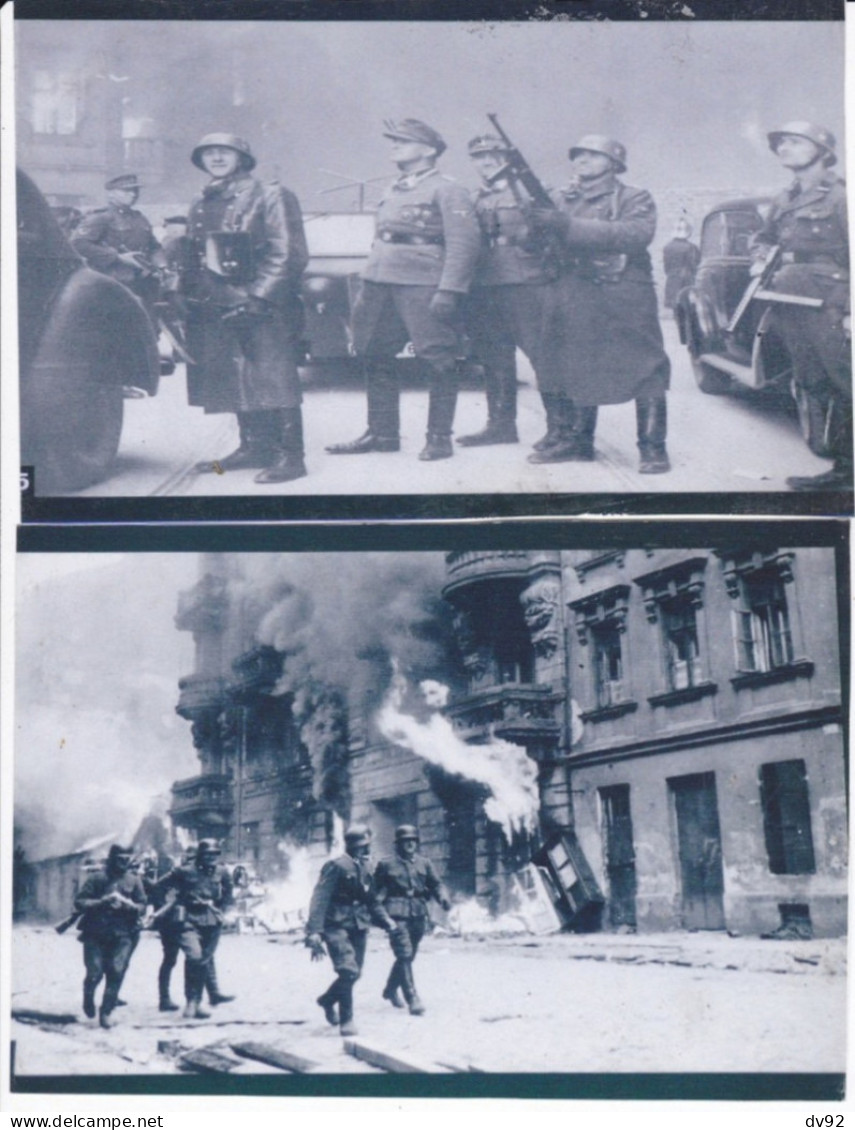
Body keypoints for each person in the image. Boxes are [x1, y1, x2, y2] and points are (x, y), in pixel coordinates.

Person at [325, 119, 481, 461]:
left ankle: (439, 438)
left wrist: (450, 290)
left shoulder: (447, 189)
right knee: (374, 354)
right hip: (380, 282)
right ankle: (382, 434)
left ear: (427, 150)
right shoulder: (396, 188)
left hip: (423, 283)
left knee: (438, 359)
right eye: (393, 141)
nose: (393, 146)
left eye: (402, 141)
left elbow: (464, 244)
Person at [528, 135, 672, 473]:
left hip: (622, 290)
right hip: (572, 288)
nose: (583, 160)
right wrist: (533, 224)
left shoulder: (633, 196)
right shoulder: (561, 198)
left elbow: (635, 234)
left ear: (614, 162)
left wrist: (566, 224)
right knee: (571, 362)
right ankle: (578, 442)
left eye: (593, 155)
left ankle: (653, 449)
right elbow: (538, 243)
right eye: (578, 155)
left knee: (644, 366)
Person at [179, 133, 310, 484]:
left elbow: (288, 253)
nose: (216, 158)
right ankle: (253, 447)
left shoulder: (271, 195)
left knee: (273, 375)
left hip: (261, 303)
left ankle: (290, 457)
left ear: (243, 158)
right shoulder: (201, 200)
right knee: (232, 373)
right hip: (215, 301)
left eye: (225, 152)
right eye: (209, 153)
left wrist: (259, 297)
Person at [751, 121, 851, 493]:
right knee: (814, 382)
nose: (784, 149)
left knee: (846, 382)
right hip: (790, 300)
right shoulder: (784, 198)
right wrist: (759, 258)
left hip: (830, 301)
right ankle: (843, 469)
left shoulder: (841, 196)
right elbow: (763, 239)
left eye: (794, 142)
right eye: (781, 144)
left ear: (822, 150)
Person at [457, 134, 555, 448]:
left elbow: (556, 234)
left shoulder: (533, 192)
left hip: (526, 283)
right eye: (479, 157)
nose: (486, 163)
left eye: (494, 156)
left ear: (508, 158)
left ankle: (560, 429)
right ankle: (500, 426)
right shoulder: (474, 197)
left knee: (544, 357)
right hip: (484, 285)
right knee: (494, 358)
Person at [305, 825, 399, 1036]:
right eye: (362, 846)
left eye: (366, 845)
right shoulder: (336, 866)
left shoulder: (366, 866)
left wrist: (387, 922)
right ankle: (346, 1020)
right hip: (335, 925)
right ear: (353, 846)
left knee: (356, 973)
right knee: (348, 970)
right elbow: (320, 898)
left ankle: (327, 1000)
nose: (365, 849)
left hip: (358, 925)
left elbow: (372, 900)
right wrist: (314, 931)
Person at [152, 838, 235, 1019]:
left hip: (212, 921)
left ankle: (196, 1002)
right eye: (207, 854)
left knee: (204, 960)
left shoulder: (222, 872)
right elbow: (158, 887)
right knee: (194, 956)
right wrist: (167, 908)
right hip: (187, 919)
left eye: (215, 854)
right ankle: (191, 1001)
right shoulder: (184, 871)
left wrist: (225, 910)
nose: (211, 858)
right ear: (200, 855)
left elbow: (229, 894)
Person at [373, 824, 451, 1016]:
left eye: (412, 841)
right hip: (396, 914)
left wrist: (443, 897)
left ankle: (390, 989)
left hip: (418, 913)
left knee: (408, 955)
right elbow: (374, 893)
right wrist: (380, 916)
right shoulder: (386, 864)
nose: (409, 844)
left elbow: (436, 884)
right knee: (404, 953)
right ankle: (412, 998)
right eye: (405, 841)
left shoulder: (424, 863)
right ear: (398, 844)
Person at [71, 173, 164, 325]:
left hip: (143, 282)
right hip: (114, 281)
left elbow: (154, 246)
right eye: (126, 191)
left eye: (135, 191)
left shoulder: (139, 218)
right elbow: (78, 243)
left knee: (147, 326)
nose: (133, 194)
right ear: (111, 193)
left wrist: (162, 265)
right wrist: (117, 257)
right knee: (115, 326)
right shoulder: (101, 217)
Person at [73, 844, 146, 1029]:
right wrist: (101, 902)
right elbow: (80, 901)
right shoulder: (97, 878)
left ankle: (106, 1011)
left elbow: (142, 904)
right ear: (112, 859)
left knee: (117, 971)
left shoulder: (134, 880)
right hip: (95, 933)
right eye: (120, 858)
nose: (124, 862)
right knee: (94, 973)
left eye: (126, 859)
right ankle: (88, 996)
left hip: (123, 933)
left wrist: (130, 906)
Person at [662, 218, 700, 310]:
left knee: (675, 305)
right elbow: (694, 264)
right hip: (686, 278)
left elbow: (666, 267)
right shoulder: (691, 247)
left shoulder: (667, 247)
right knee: (686, 304)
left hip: (672, 278)